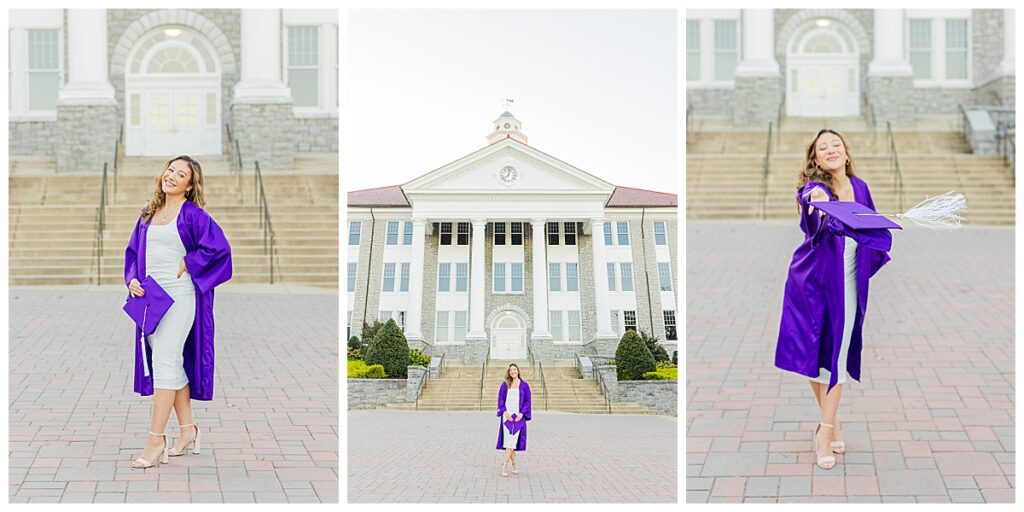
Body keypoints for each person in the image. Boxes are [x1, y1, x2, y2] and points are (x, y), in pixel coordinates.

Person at [774, 129, 893, 470]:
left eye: (835, 144)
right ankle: (827, 431)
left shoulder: (861, 187)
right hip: (813, 281)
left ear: (846, 153)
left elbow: (871, 228)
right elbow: (812, 211)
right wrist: (818, 206)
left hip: (848, 283)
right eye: (822, 147)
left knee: (839, 354)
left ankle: (828, 424)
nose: (830, 149)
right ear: (815, 158)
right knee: (815, 351)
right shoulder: (815, 189)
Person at [125, 155, 232, 469]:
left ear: (189, 184)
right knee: (170, 363)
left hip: (181, 297)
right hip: (152, 300)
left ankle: (155, 439)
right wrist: (131, 278)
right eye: (170, 169)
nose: (171, 175)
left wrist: (191, 262)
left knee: (164, 363)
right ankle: (188, 431)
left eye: (180, 173)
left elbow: (220, 250)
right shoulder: (148, 214)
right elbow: (132, 253)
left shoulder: (194, 216)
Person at [496, 363, 532, 477]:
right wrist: (504, 411)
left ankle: (505, 464)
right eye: (511, 370)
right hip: (507, 417)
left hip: (518, 417)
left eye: (514, 369)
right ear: (509, 372)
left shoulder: (524, 385)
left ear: (518, 371)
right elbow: (500, 399)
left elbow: (527, 401)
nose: (513, 372)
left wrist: (522, 413)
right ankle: (512, 464)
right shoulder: (505, 385)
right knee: (509, 441)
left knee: (512, 441)